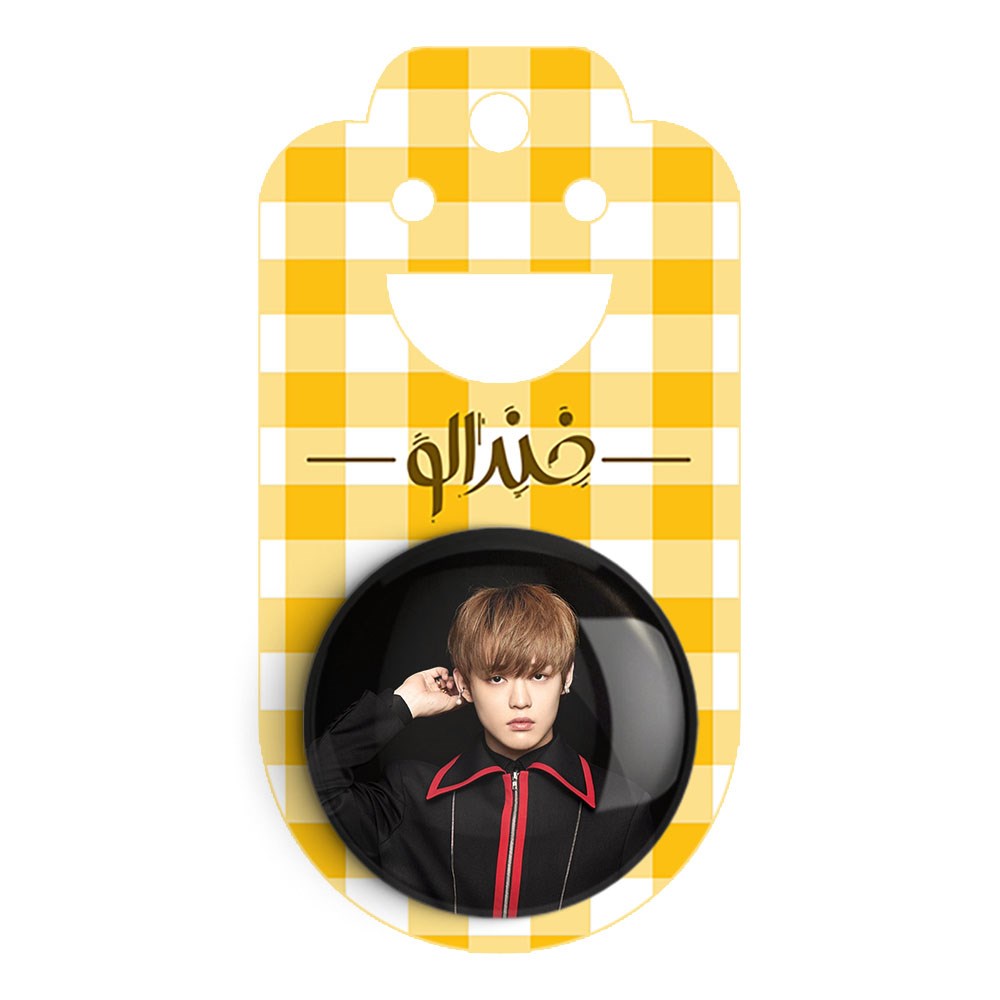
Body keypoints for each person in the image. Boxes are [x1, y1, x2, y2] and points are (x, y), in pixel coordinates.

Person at [308, 583, 654, 918]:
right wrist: (401, 705)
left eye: (538, 676)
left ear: (566, 678)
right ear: (464, 685)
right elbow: (308, 789)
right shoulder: (408, 795)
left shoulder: (624, 810)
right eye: (497, 678)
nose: (520, 701)